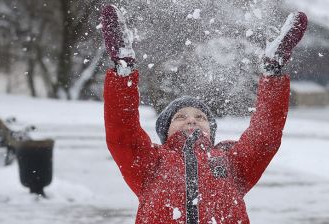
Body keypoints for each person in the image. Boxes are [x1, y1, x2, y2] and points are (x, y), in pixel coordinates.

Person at [101, 5, 307, 224]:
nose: (191, 120)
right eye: (180, 117)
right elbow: (122, 130)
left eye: (200, 117)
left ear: (211, 130)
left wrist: (273, 72)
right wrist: (123, 71)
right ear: (165, 130)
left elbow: (265, 135)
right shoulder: (151, 163)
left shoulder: (231, 161)